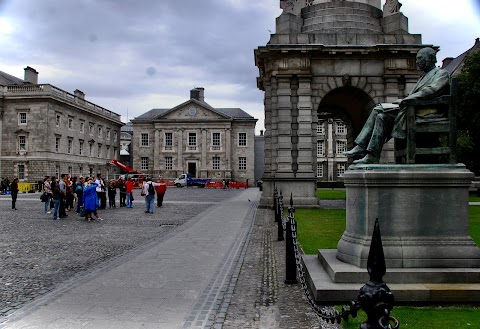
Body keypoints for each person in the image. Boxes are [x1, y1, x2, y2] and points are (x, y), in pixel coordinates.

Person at [343, 47, 450, 164]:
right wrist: (405, 100)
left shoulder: (441, 73)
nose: (417, 62)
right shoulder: (423, 77)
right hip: (413, 109)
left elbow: (431, 91)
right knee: (381, 116)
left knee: (377, 109)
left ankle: (361, 146)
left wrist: (406, 99)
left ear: (430, 59)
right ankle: (372, 155)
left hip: (427, 113)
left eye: (419, 59)